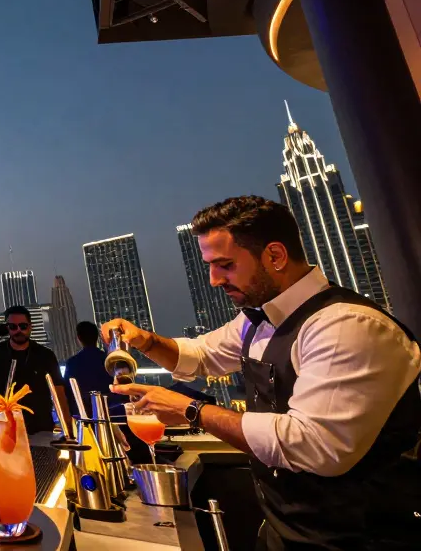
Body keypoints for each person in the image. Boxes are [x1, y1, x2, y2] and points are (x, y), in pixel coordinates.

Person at [104, 196, 421, 550]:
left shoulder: (346, 326)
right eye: (210, 265)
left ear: (275, 255)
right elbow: (202, 355)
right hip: (287, 530)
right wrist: (146, 340)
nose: (213, 279)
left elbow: (313, 446)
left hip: (358, 538)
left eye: (224, 265)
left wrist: (190, 411)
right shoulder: (259, 319)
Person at [0, 306, 64, 435]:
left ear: (30, 327)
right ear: (7, 328)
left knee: (43, 455)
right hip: (4, 430)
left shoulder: (45, 355)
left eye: (23, 326)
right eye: (13, 327)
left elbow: (59, 393)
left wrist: (67, 425)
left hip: (41, 429)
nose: (18, 330)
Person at [63, 321, 121, 417]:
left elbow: (68, 392)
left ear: (79, 338)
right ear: (97, 337)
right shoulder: (110, 360)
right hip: (112, 412)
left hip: (83, 415)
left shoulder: (72, 363)